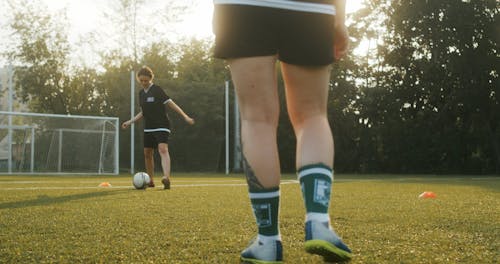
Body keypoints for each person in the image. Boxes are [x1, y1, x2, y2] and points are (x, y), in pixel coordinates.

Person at [212, 0, 351, 263]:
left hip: (243, 7)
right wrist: (339, 19)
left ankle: (267, 241)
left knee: (257, 120)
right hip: (311, 7)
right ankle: (319, 223)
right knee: (312, 116)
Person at [122, 66, 195, 190]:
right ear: (139, 80)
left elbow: (171, 104)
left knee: (162, 149)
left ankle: (166, 178)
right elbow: (143, 112)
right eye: (141, 81)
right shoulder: (141, 94)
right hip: (149, 127)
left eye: (146, 80)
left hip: (162, 125)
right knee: (147, 153)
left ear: (151, 78)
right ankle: (150, 181)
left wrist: (185, 116)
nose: (144, 83)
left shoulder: (157, 90)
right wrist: (130, 122)